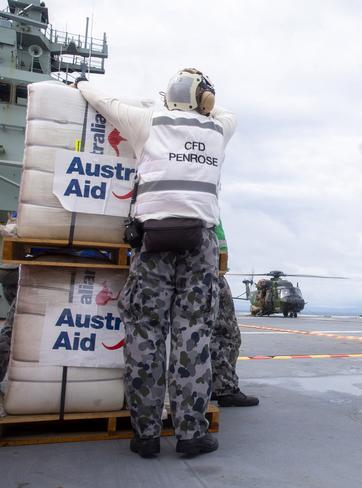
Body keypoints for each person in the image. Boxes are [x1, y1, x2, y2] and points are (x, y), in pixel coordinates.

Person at [77, 67, 236, 457]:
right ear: (206, 101)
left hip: (152, 241)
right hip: (199, 242)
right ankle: (190, 433)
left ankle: (145, 435)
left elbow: (103, 101)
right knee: (193, 334)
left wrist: (80, 83)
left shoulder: (147, 120)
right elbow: (222, 113)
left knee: (145, 334)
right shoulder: (219, 128)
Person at [210, 222, 259, 407]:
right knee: (226, 334)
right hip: (210, 269)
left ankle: (212, 385)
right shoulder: (204, 201)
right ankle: (224, 388)